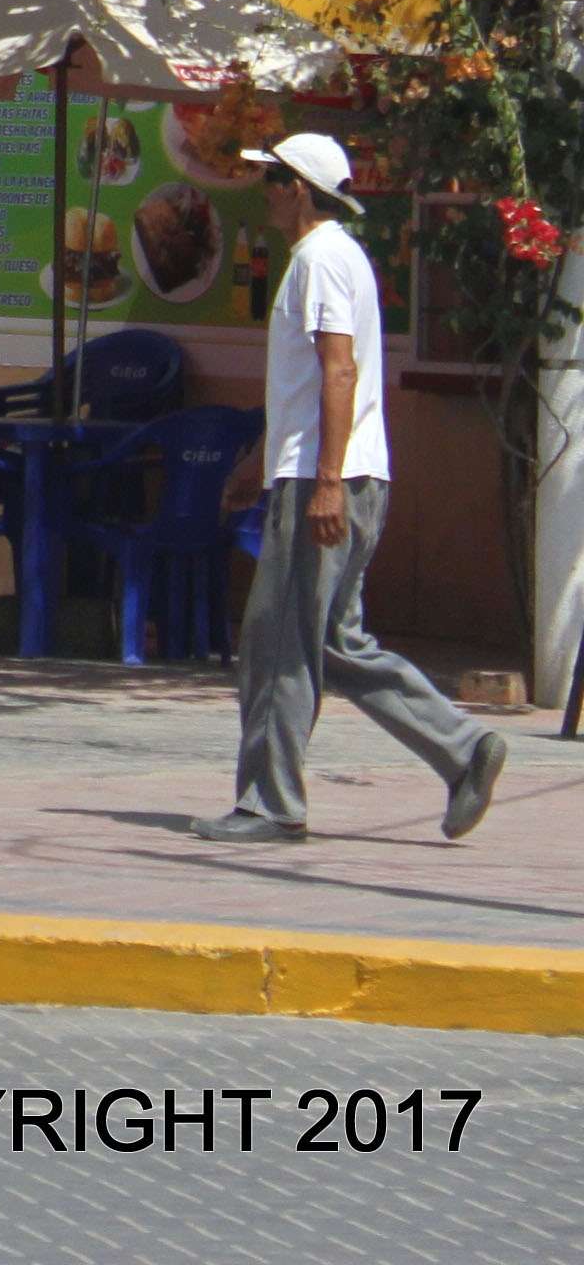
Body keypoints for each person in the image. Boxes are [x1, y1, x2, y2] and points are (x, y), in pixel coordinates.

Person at [197, 132, 509, 846]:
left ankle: (270, 805)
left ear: (299, 187)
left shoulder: (323, 259)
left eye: (273, 177)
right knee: (332, 643)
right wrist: (260, 467)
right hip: (324, 472)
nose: (265, 189)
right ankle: (463, 751)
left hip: (328, 478)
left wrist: (325, 483)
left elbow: (339, 373)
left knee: (276, 643)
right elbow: (310, 386)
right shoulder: (329, 259)